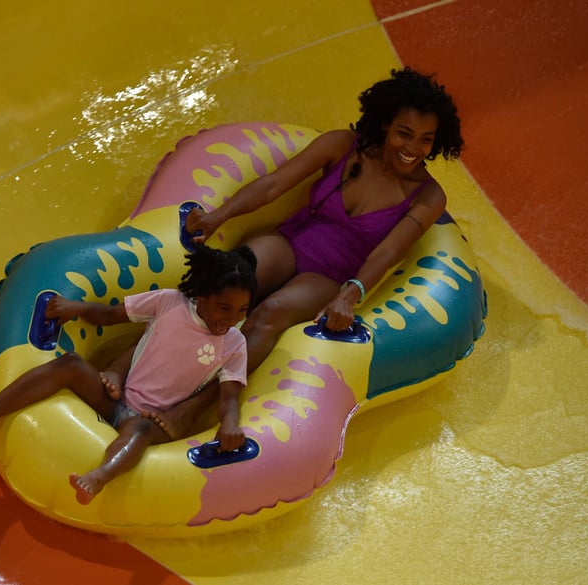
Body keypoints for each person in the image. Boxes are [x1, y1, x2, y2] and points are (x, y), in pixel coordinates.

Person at [102, 66, 465, 439]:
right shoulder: (344, 146)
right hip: (291, 241)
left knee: (269, 314)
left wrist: (349, 295)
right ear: (386, 123)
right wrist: (218, 216)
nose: (412, 148)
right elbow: (274, 185)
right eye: (404, 133)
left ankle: (190, 409)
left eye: (425, 140)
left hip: (330, 274)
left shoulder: (428, 195)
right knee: (220, 283)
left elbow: (389, 251)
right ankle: (121, 366)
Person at [0, 244, 258, 505]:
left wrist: (230, 424)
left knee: (138, 431)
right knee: (69, 363)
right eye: (224, 308)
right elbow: (109, 316)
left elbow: (229, 396)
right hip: (117, 397)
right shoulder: (169, 302)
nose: (231, 319)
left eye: (242, 310)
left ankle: (99, 476)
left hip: (153, 419)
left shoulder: (234, 343)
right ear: (201, 295)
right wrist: (75, 307)